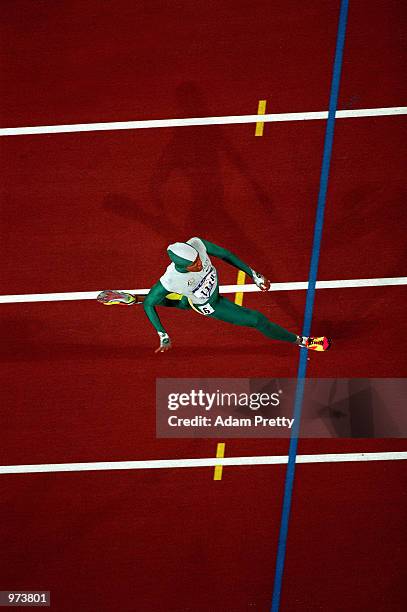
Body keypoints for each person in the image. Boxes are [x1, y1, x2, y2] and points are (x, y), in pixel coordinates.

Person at [97, 237, 331, 354]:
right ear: (182, 266)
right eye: (194, 264)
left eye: (199, 258)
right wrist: (163, 335)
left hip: (196, 294)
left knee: (183, 302)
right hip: (211, 303)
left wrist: (254, 274)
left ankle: (129, 299)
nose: (200, 262)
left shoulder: (196, 245)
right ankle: (304, 342)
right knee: (257, 320)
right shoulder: (170, 280)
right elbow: (150, 305)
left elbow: (226, 254)